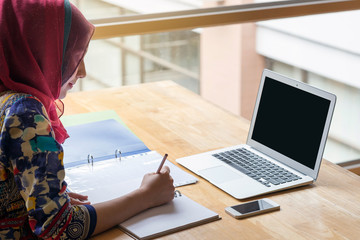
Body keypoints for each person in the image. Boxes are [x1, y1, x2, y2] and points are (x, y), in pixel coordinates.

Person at [0, 0, 175, 239]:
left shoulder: (7, 96)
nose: (82, 71)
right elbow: (59, 229)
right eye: (71, 56)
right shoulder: (25, 115)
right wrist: (145, 197)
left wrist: (43, 197)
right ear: (40, 51)